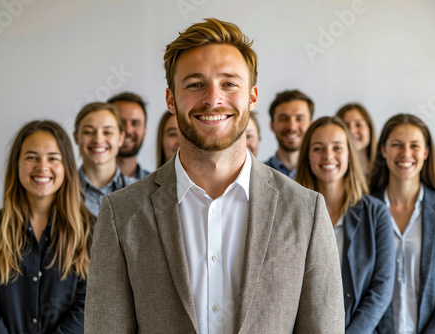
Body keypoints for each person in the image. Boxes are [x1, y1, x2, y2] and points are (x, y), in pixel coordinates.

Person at [85, 18, 344, 334]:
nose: (212, 99)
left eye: (229, 83)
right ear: (171, 99)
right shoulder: (120, 213)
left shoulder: (306, 211)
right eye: (195, 84)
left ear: (252, 96)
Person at [0, 120, 93, 334]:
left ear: (67, 166)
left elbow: (90, 303)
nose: (42, 167)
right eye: (31, 157)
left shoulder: (92, 229)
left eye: (53, 158)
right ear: (16, 164)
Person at [296, 116, 395, 333]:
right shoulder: (292, 211)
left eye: (337, 148)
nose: (328, 156)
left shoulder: (375, 212)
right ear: (307, 157)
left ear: (349, 154)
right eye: (318, 148)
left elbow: (382, 288)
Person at [370, 114, 435, 333]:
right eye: (396, 145)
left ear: (426, 152)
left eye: (415, 145)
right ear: (383, 151)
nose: (405, 153)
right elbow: (357, 285)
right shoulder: (363, 209)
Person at [73, 102, 131, 217]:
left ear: (121, 138)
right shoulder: (60, 191)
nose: (98, 140)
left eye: (107, 132)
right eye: (89, 132)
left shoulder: (141, 191)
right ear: (76, 137)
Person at [265, 89, 314, 178]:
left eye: (299, 119)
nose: (292, 127)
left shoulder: (321, 174)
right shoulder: (256, 175)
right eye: (283, 119)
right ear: (272, 126)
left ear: (311, 126)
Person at [107, 91, 150, 180]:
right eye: (120, 122)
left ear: (144, 131)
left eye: (135, 123)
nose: (128, 130)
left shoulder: (157, 185)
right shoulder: (76, 185)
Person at [336, 103, 377, 177]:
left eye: (358, 125)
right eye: (345, 126)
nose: (352, 131)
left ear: (369, 128)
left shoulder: (384, 170)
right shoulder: (332, 173)